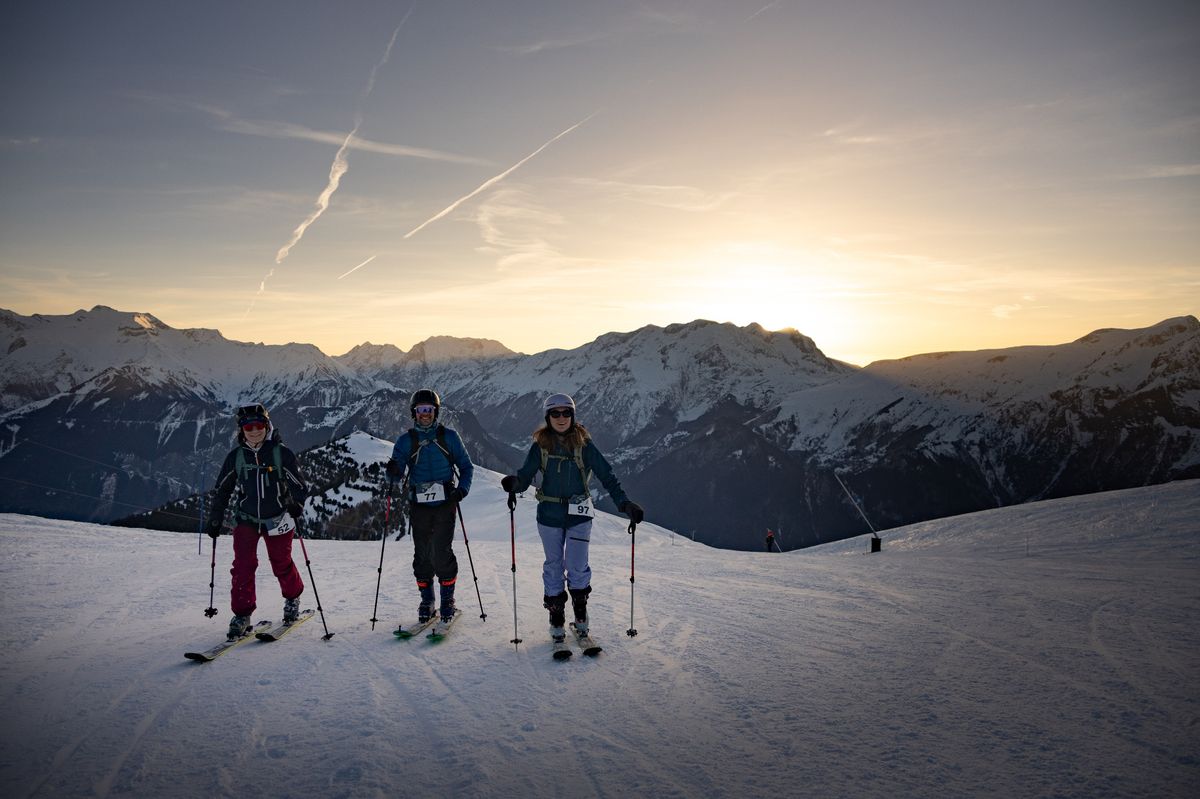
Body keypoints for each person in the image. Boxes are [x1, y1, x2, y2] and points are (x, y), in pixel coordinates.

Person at [501, 393, 644, 640]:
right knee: (554, 566)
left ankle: (580, 613)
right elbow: (525, 476)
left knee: (577, 566)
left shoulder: (584, 445)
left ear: (573, 415)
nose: (561, 418)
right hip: (549, 515)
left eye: (566, 412)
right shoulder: (540, 446)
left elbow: (607, 476)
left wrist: (624, 504)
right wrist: (515, 484)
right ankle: (556, 616)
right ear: (548, 417)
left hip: (579, 516)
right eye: (555, 413)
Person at [205, 403, 309, 639]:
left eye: (259, 425)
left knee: (281, 563)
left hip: (278, 518)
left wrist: (297, 503)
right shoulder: (236, 457)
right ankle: (242, 615)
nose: (254, 430)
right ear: (241, 430)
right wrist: (215, 516)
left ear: (267, 425)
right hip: (247, 519)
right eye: (248, 426)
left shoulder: (281, 454)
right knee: (243, 566)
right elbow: (222, 490)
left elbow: (300, 485)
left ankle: (292, 598)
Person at [384, 389, 474, 625]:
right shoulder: (405, 441)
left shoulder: (449, 437)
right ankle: (427, 601)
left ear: (436, 412)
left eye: (429, 409)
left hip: (446, 502)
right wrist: (392, 472)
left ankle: (447, 600)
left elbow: (466, 467)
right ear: (413, 413)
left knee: (441, 552)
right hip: (419, 505)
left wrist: (462, 490)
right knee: (422, 554)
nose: (425, 414)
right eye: (421, 410)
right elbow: (395, 474)